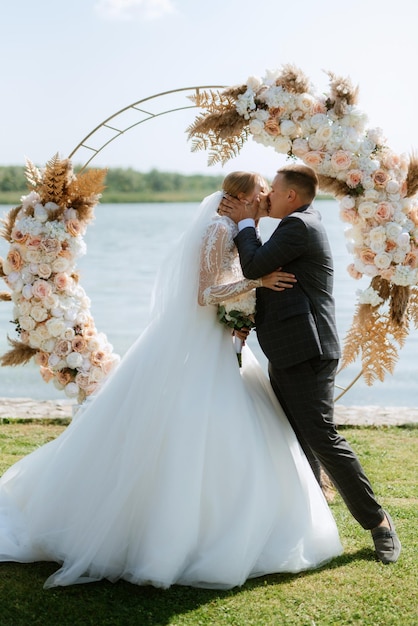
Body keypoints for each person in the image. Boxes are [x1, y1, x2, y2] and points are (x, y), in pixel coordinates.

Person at [0, 171, 343, 590]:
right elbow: (204, 293)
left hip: (220, 342)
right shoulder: (218, 229)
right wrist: (256, 281)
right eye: (259, 192)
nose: (265, 197)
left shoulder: (235, 228)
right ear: (239, 198)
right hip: (203, 343)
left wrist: (249, 298)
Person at [219, 163, 401, 564]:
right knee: (294, 435)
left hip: (308, 350)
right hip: (287, 348)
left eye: (273, 190)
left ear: (290, 196)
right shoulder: (295, 223)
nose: (265, 197)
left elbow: (253, 266)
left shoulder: (299, 226)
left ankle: (379, 523)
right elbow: (259, 276)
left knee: (322, 437)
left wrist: (247, 222)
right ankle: (313, 512)